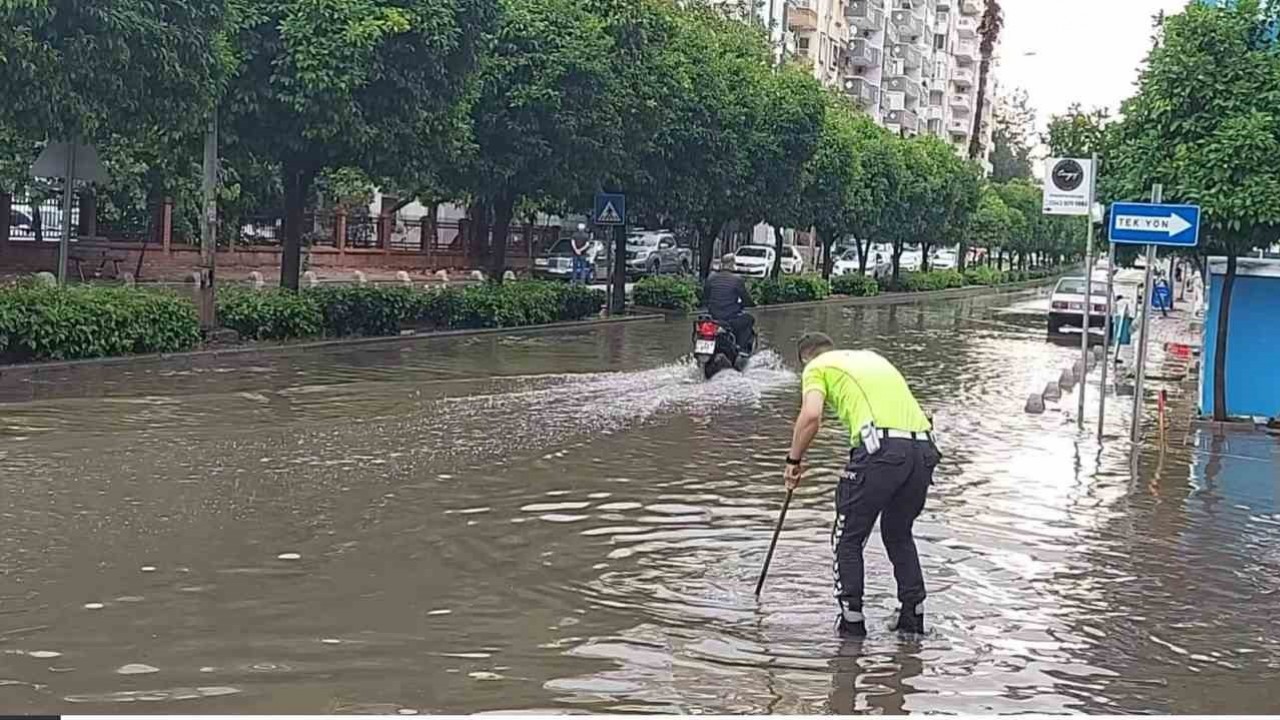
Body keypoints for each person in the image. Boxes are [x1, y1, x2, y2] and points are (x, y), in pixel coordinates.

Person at [783, 332, 939, 638]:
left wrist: (793, 461)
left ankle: (851, 624)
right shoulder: (873, 359)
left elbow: (812, 415)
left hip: (881, 451)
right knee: (898, 533)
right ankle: (913, 617)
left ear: (806, 358)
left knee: (847, 537)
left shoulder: (817, 367)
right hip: (923, 450)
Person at [704, 253, 756, 352]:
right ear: (732, 264)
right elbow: (746, 299)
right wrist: (750, 304)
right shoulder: (737, 280)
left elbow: (705, 298)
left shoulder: (711, 278)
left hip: (713, 317)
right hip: (729, 318)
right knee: (749, 319)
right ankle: (741, 349)